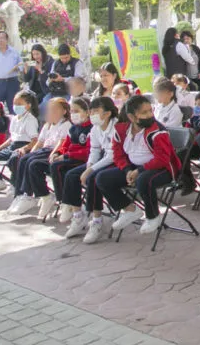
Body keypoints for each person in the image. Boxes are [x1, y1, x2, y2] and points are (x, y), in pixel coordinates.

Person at [95, 95, 185, 235]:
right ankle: (130, 210)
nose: (149, 115)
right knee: (102, 178)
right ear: (131, 117)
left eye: (150, 110)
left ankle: (153, 216)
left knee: (143, 180)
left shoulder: (158, 131)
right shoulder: (121, 130)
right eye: (144, 113)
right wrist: (127, 171)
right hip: (134, 167)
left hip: (163, 169)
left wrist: (139, 171)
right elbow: (118, 155)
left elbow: (162, 159)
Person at [62, 97, 120, 242]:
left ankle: (97, 220)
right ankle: (78, 216)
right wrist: (88, 166)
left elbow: (112, 156)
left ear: (107, 113)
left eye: (96, 111)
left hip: (117, 161)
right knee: (71, 175)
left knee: (93, 178)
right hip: (101, 159)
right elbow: (94, 150)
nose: (92, 114)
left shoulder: (117, 127)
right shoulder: (95, 128)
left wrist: (90, 170)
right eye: (91, 111)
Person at [6, 98, 73, 215]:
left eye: (55, 110)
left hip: (54, 151)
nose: (51, 112)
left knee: (33, 164)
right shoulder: (47, 125)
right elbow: (40, 142)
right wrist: (32, 152)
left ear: (64, 111)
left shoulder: (65, 124)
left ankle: (37, 195)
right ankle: (20, 194)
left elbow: (61, 142)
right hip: (44, 150)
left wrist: (53, 154)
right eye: (50, 110)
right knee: (24, 159)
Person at [35, 97, 94, 220]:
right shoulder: (73, 128)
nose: (73, 114)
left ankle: (64, 201)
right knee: (42, 164)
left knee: (57, 167)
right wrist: (57, 153)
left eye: (77, 111)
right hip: (69, 158)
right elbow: (65, 145)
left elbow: (87, 151)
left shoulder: (90, 128)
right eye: (72, 111)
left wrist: (66, 155)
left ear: (87, 112)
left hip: (81, 160)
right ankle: (54, 198)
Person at [0, 91, 40, 193]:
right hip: (12, 146)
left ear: (28, 105)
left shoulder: (31, 119)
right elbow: (11, 138)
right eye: (15, 104)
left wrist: (24, 148)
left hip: (24, 146)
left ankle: (15, 184)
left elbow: (35, 141)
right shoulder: (14, 119)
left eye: (19, 104)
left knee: (15, 159)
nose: (16, 106)